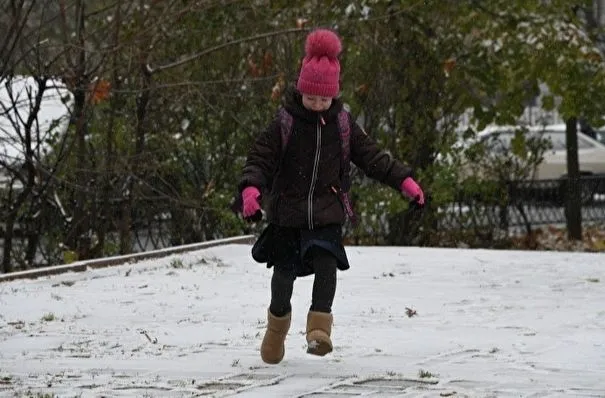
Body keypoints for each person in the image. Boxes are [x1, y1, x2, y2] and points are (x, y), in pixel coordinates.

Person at [234, 28, 425, 364]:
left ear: (334, 97)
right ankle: (276, 330)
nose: (318, 105)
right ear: (300, 91)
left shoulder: (343, 125)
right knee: (283, 276)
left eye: (324, 100)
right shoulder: (284, 124)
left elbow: (373, 158)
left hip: (326, 212)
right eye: (311, 98)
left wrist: (404, 181)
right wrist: (251, 190)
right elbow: (260, 159)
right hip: (287, 214)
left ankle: (319, 328)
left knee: (327, 264)